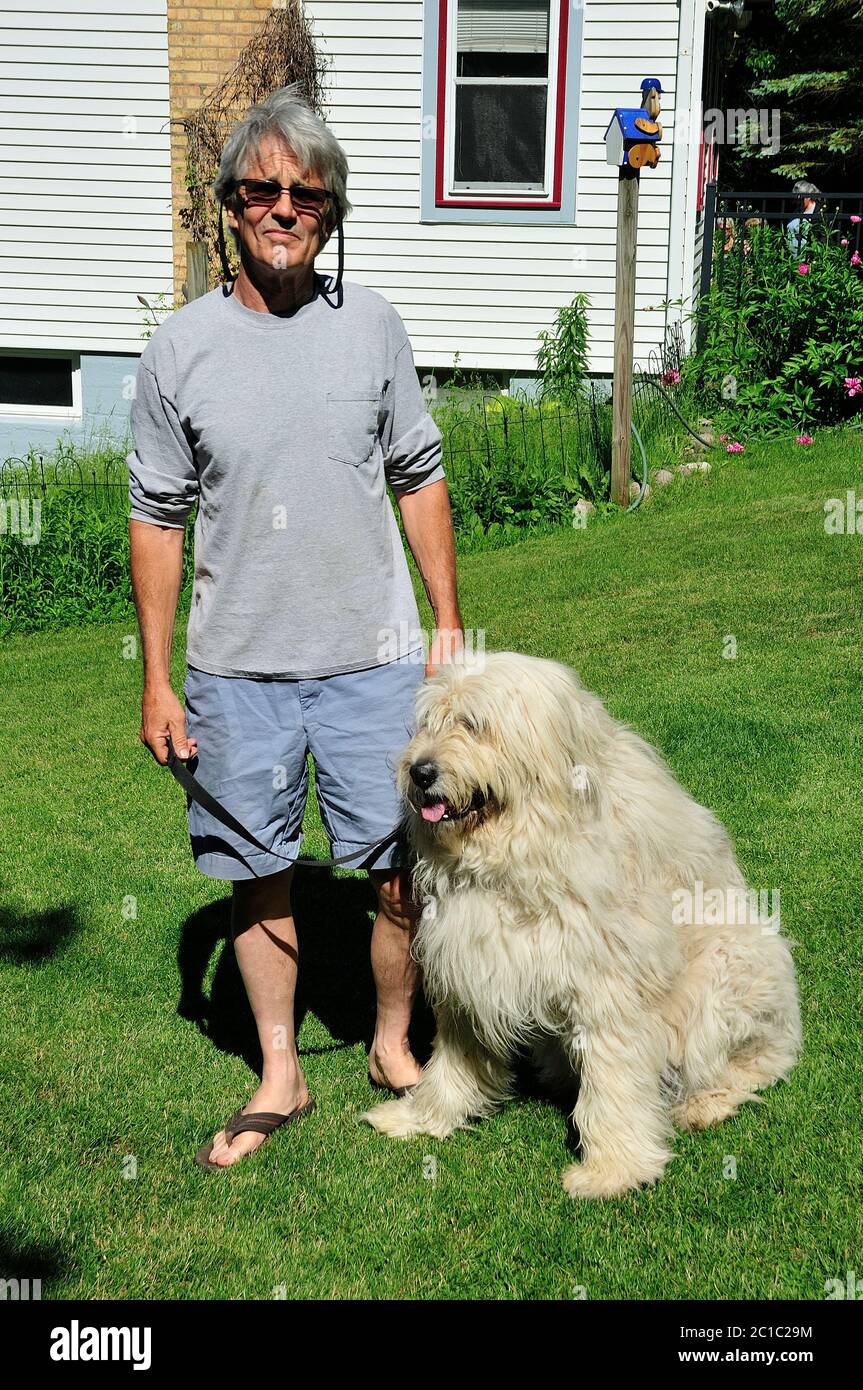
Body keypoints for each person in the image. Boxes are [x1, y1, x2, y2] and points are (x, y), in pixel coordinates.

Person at [126, 84, 465, 1168]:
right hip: (238, 668)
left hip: (375, 659)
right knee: (257, 871)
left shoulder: (370, 326)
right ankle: (281, 1073)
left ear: (329, 210)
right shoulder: (179, 350)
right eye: (262, 189)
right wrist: (159, 680)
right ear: (229, 206)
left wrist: (447, 623)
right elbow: (156, 518)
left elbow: (418, 474)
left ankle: (391, 1045)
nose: (283, 207)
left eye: (305, 193)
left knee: (402, 867)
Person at [786, 181, 821, 254]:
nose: (797, 201)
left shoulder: (819, 213)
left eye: (800, 198)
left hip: (806, 259)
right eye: (795, 198)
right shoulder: (795, 211)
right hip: (790, 258)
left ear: (809, 196)